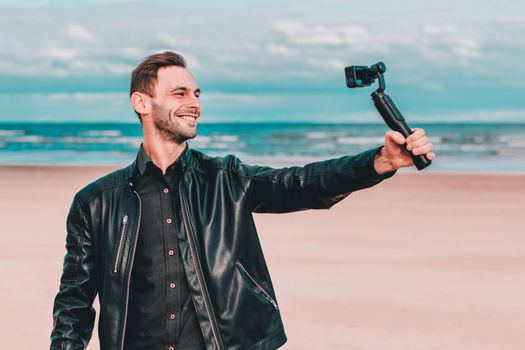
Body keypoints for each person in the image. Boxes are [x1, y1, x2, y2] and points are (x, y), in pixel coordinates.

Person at [50, 51, 435, 350]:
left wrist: (379, 162)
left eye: (197, 93)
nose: (194, 102)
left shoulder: (225, 178)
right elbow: (74, 301)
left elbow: (300, 183)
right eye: (180, 93)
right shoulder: (96, 202)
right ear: (142, 103)